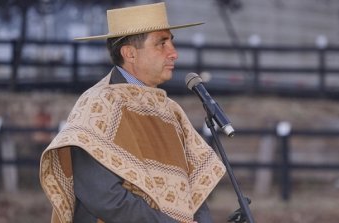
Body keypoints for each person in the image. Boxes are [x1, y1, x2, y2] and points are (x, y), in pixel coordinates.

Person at [39, 2, 226, 223]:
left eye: (171, 42)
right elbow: (103, 196)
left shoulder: (171, 111)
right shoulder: (98, 105)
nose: (173, 53)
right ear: (130, 53)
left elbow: (194, 189)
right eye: (161, 43)